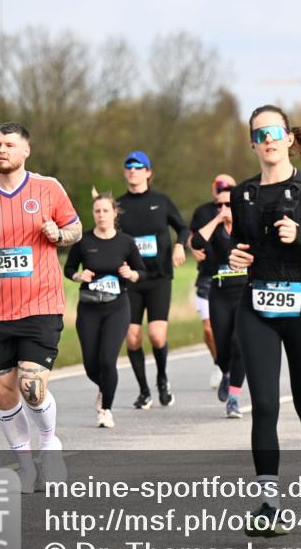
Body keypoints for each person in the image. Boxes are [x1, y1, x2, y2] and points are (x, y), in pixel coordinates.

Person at [228, 104, 301, 535]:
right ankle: (268, 503)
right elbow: (239, 249)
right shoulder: (241, 194)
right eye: (259, 134)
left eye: (275, 131)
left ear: (289, 137)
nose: (268, 140)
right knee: (263, 405)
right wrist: (235, 256)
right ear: (253, 143)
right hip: (257, 306)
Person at [0, 122, 81, 492]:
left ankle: (49, 442)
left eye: (9, 144)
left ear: (26, 151)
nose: (1, 150)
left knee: (32, 385)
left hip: (41, 303)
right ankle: (25, 466)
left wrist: (59, 234)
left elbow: (75, 228)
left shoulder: (48, 188)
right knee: (5, 392)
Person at [65, 190, 145, 428]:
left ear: (114, 213)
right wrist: (80, 276)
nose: (101, 215)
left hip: (116, 307)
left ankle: (106, 410)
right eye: (97, 211)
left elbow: (142, 271)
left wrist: (131, 274)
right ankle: (104, 386)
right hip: (89, 308)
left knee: (108, 361)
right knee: (91, 365)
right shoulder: (84, 241)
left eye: (105, 211)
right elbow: (68, 269)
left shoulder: (126, 242)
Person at [116, 150, 188, 409]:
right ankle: (144, 391)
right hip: (132, 279)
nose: (133, 170)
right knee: (133, 338)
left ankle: (162, 378)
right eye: (129, 166)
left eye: (138, 166)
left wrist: (180, 245)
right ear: (125, 172)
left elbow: (182, 227)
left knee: (157, 336)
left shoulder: (161, 200)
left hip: (159, 278)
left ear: (148, 172)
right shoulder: (119, 206)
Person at [191, 186, 246, 418]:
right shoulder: (213, 232)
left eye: (228, 205)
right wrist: (217, 220)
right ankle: (224, 372)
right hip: (219, 293)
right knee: (222, 346)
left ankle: (234, 398)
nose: (224, 209)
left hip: (244, 293)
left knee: (238, 344)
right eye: (219, 205)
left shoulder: (246, 229)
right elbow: (196, 243)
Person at [189, 174, 237, 398]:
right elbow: (193, 239)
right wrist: (191, 248)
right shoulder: (204, 213)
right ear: (213, 189)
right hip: (211, 278)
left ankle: (233, 382)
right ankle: (221, 364)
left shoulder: (244, 218)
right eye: (220, 188)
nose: (224, 206)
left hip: (240, 284)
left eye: (229, 190)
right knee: (211, 331)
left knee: (240, 337)